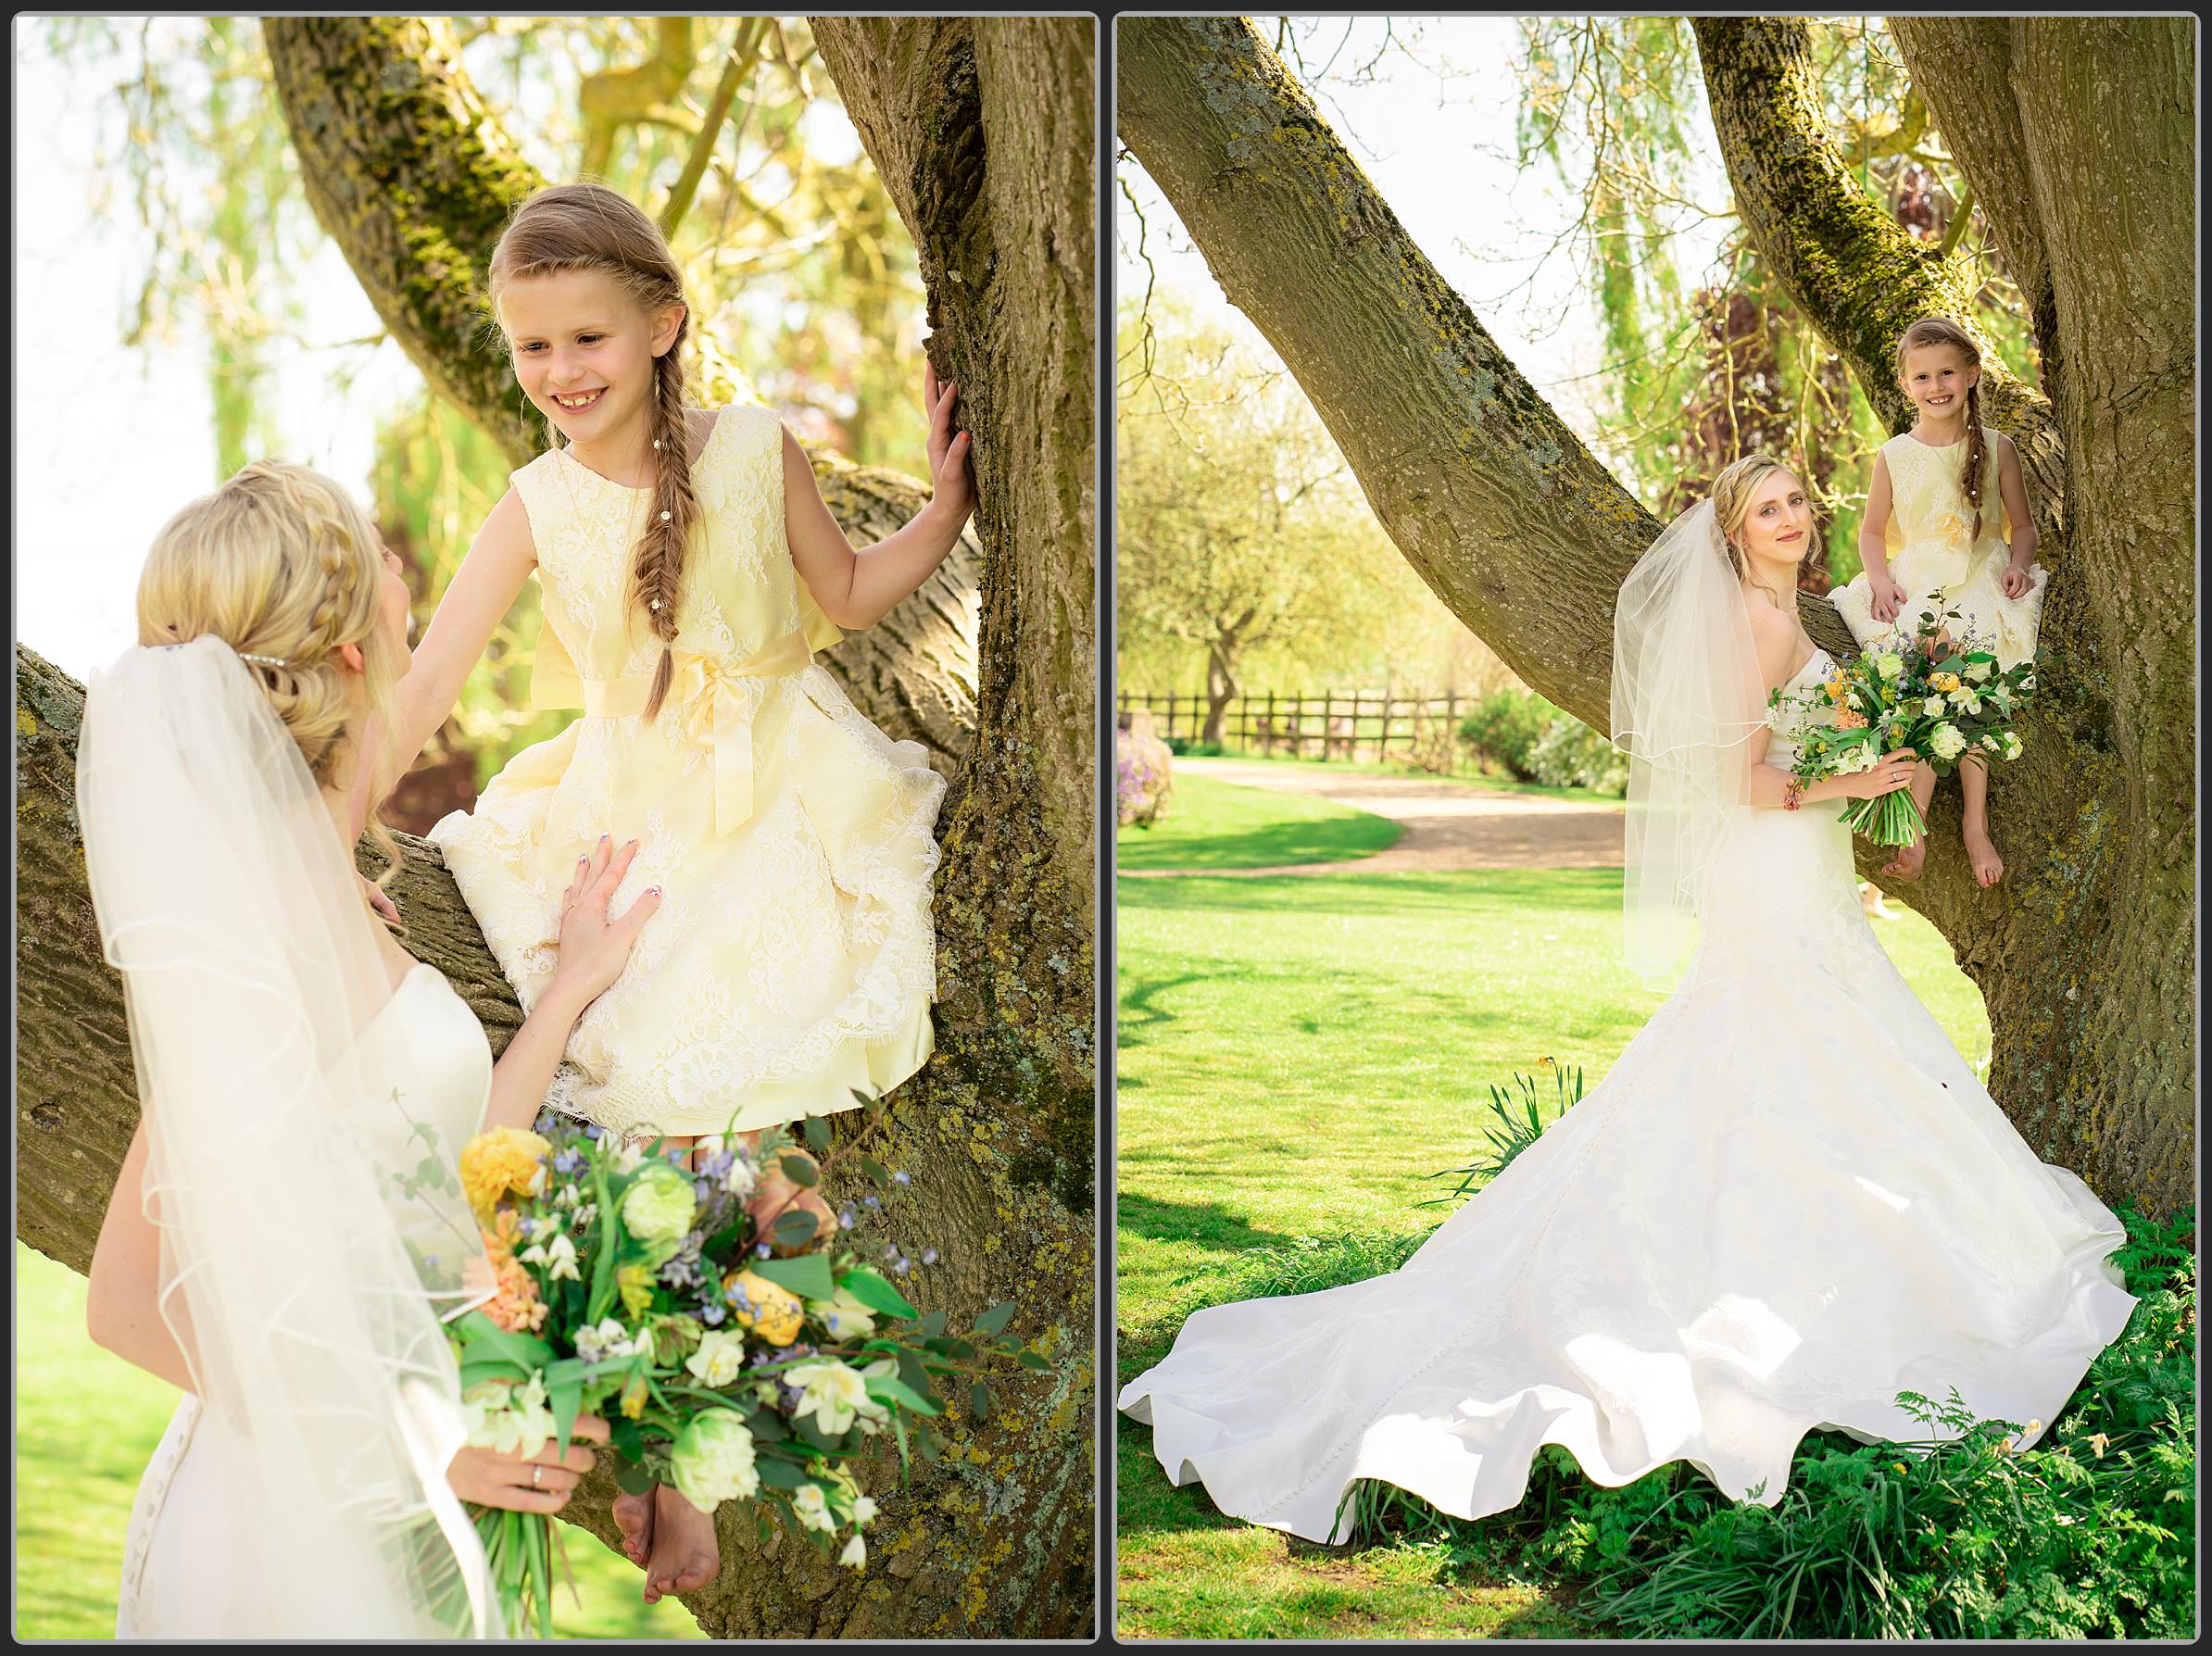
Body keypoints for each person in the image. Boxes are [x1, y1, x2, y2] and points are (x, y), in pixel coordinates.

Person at [1117, 454, 2135, 1546]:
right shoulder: (1746, 624)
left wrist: (1875, 773)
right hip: (1769, 868)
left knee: (1822, 1047)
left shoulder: (1801, 616)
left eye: (1797, 501)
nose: (1791, 519)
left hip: (1806, 869)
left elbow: (1806, 749)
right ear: (1735, 535)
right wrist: (1854, 782)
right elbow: (1737, 779)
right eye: (1767, 509)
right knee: (1779, 1047)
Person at [382, 180, 973, 1603]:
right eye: (532, 349)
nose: (560, 374)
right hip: (622, 813)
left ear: (662, 325)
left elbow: (840, 593)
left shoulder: (757, 446)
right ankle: (661, 1450)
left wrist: (950, 504)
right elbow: (424, 690)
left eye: (586, 337)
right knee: (614, 1106)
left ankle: (713, 1431)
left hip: (782, 792)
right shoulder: (536, 503)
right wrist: (314, 812)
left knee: (734, 1122)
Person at [83, 460, 656, 1637]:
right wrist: (419, 1445)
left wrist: (567, 994)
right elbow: (128, 1305)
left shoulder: (316, 874)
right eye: (382, 562)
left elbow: (439, 1162)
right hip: (284, 1531)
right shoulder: (269, 933)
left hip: (377, 1512)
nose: (406, 571)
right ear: (352, 655)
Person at [1830, 316, 2045, 887]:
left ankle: (1975, 823)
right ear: (1906, 385)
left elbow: (2022, 529)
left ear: (1972, 374)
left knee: (1970, 678)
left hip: (1979, 574)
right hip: (1919, 576)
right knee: (1922, 680)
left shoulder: (1998, 449)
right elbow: (1872, 532)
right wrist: (1878, 582)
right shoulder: (1894, 455)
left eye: (1947, 371)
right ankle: (1917, 823)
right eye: (1922, 376)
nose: (1936, 385)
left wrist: (2019, 568)